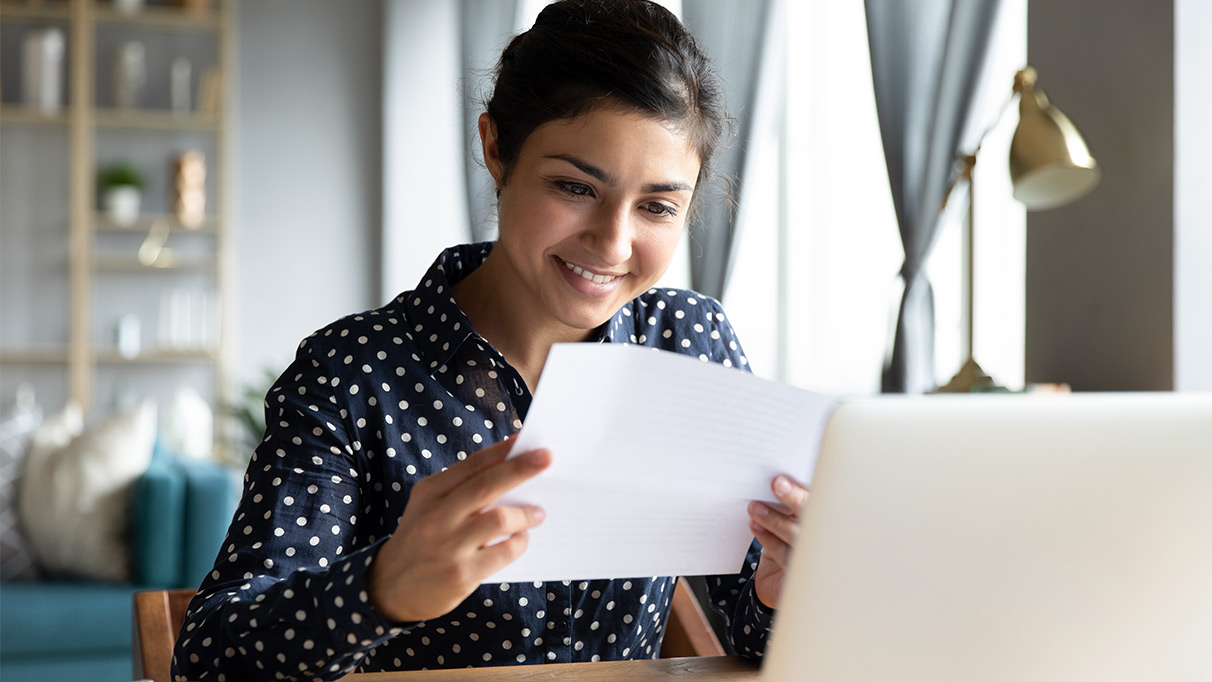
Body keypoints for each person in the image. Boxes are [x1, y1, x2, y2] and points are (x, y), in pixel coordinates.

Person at [172, 1, 808, 679]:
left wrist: (788, 593)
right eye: (574, 186)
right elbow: (207, 658)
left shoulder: (691, 342)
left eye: (657, 206)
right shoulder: (352, 373)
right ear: (496, 147)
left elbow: (755, 626)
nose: (613, 243)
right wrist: (377, 590)